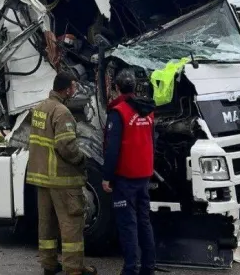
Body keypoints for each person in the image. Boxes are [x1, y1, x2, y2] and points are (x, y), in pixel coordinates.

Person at [26, 72, 98, 275]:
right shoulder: (62, 112)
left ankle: (49, 264)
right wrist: (81, 160)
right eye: (74, 87)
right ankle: (74, 268)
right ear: (66, 89)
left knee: (46, 224)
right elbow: (66, 145)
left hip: (42, 177)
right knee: (71, 225)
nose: (75, 90)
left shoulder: (40, 108)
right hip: (61, 178)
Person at [102, 69, 157, 275]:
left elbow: (112, 147)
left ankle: (130, 269)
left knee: (128, 225)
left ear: (116, 88)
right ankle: (148, 268)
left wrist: (107, 177)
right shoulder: (148, 110)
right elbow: (153, 140)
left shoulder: (119, 112)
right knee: (144, 221)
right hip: (144, 174)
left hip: (126, 177)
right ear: (134, 87)